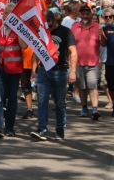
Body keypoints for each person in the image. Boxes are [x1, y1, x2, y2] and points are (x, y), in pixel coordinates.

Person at [30, 10, 77, 141]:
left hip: (60, 70)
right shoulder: (41, 31)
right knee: (42, 101)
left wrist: (73, 71)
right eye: (45, 25)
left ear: (54, 21)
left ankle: (60, 130)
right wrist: (34, 69)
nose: (48, 28)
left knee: (60, 102)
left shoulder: (65, 32)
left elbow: (73, 52)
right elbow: (35, 51)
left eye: (49, 25)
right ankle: (41, 129)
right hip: (44, 70)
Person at [0, 3, 28, 138]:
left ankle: (10, 127)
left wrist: (19, 30)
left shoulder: (20, 27)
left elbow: (24, 46)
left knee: (12, 98)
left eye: (10, 13)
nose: (6, 16)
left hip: (14, 70)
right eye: (5, 13)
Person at [71, 5, 102, 120]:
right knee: (82, 87)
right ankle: (84, 108)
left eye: (87, 14)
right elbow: (70, 45)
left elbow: (104, 43)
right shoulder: (74, 27)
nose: (85, 16)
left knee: (93, 85)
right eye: (83, 14)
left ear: (91, 14)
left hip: (93, 63)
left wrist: (101, 34)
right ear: (80, 15)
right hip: (78, 62)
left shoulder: (97, 27)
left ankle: (95, 109)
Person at [100, 8, 114, 109]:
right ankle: (111, 101)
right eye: (106, 17)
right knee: (104, 82)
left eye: (110, 16)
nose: (108, 18)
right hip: (104, 59)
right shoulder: (100, 29)